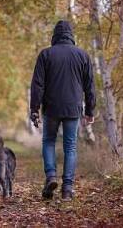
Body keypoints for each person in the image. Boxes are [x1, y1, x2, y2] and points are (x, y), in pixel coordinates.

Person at [30, 20, 96, 201]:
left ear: (55, 35)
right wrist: (90, 110)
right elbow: (90, 86)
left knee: (49, 141)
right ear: (71, 35)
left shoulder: (46, 54)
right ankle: (67, 189)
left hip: (51, 107)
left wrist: (34, 109)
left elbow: (37, 85)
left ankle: (51, 176)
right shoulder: (82, 55)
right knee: (70, 147)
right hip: (73, 108)